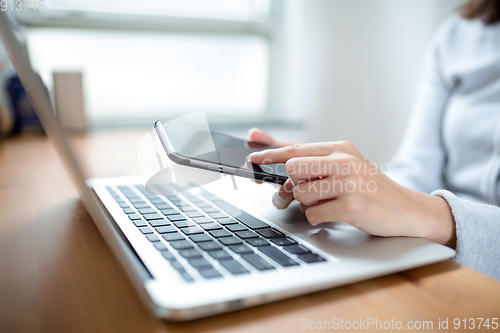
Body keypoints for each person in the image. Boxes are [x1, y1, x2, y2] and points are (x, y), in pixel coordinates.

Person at [247, 0, 500, 280]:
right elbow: (417, 170)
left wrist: (432, 215)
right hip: (439, 259)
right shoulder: (458, 33)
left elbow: (415, 206)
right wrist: (341, 178)